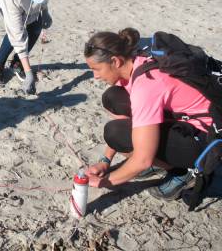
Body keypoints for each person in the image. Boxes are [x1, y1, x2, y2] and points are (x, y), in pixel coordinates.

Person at [83, 28, 211, 200]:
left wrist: (104, 182)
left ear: (115, 61)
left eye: (96, 69)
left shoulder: (145, 87)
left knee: (117, 133)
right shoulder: (138, 61)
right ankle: (163, 163)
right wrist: (105, 160)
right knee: (113, 96)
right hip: (185, 119)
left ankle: (183, 172)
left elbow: (142, 159)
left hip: (206, 141)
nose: (95, 76)